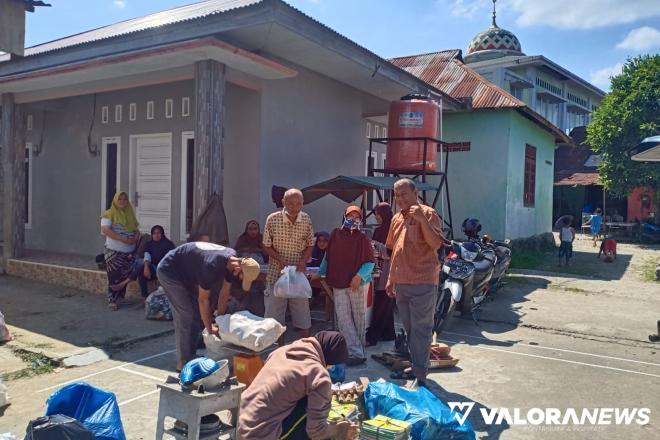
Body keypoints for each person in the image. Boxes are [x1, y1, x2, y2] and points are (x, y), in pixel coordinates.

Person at [156, 242, 260, 371]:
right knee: (186, 314)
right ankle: (183, 361)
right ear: (239, 269)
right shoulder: (211, 265)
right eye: (241, 278)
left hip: (187, 274)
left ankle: (191, 355)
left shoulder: (233, 261)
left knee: (195, 313)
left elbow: (224, 294)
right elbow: (203, 300)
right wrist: (210, 329)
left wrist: (220, 322)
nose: (239, 281)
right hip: (169, 271)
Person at [237, 331, 358, 440]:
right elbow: (316, 432)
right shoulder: (318, 375)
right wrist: (339, 430)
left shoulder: (280, 351)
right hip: (262, 435)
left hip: (242, 425)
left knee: (308, 398)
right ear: (329, 359)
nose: (330, 368)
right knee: (313, 410)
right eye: (331, 365)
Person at [386, 179, 445, 387]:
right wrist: (391, 279)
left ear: (415, 193)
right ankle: (417, 365)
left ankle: (421, 376)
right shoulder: (395, 219)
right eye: (397, 195)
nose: (400, 198)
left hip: (423, 282)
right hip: (402, 282)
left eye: (404, 194)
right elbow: (395, 251)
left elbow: (435, 244)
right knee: (410, 330)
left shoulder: (428, 214)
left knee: (421, 330)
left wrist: (421, 220)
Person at [318, 206, 374, 365]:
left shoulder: (362, 238)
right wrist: (321, 272)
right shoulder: (336, 234)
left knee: (359, 318)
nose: (353, 219)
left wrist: (359, 276)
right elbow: (328, 257)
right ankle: (354, 351)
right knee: (343, 318)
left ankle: (359, 351)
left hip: (357, 283)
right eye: (350, 216)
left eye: (357, 217)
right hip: (339, 281)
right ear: (344, 216)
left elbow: (370, 262)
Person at [263, 188, 314, 345]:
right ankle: (279, 349)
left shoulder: (306, 219)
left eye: (298, 203)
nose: (294, 207)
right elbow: (266, 246)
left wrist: (303, 260)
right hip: (276, 274)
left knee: (303, 314)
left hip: (298, 275)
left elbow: (310, 244)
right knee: (275, 317)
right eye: (290, 203)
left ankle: (307, 349)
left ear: (303, 204)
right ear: (283, 202)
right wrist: (280, 258)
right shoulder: (272, 219)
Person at [100, 192, 140, 311]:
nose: (122, 201)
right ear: (115, 200)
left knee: (124, 275)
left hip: (129, 252)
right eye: (120, 199)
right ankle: (112, 300)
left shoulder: (130, 214)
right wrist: (123, 239)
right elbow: (105, 230)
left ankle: (121, 298)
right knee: (114, 276)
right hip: (114, 251)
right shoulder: (109, 214)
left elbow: (136, 229)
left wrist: (136, 237)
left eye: (125, 199)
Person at [366, 202, 395, 346]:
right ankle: (389, 334)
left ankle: (372, 337)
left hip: (390, 271)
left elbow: (392, 252)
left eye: (378, 215)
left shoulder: (394, 229)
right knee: (386, 305)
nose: (376, 218)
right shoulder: (379, 230)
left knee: (381, 305)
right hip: (380, 270)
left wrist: (376, 246)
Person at [132, 225, 175, 297]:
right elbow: (147, 257)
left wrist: (161, 271)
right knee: (141, 271)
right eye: (154, 233)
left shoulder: (169, 244)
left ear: (162, 234)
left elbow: (171, 260)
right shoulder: (149, 245)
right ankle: (145, 297)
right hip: (154, 269)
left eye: (158, 233)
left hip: (165, 270)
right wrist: (146, 267)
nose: (156, 235)